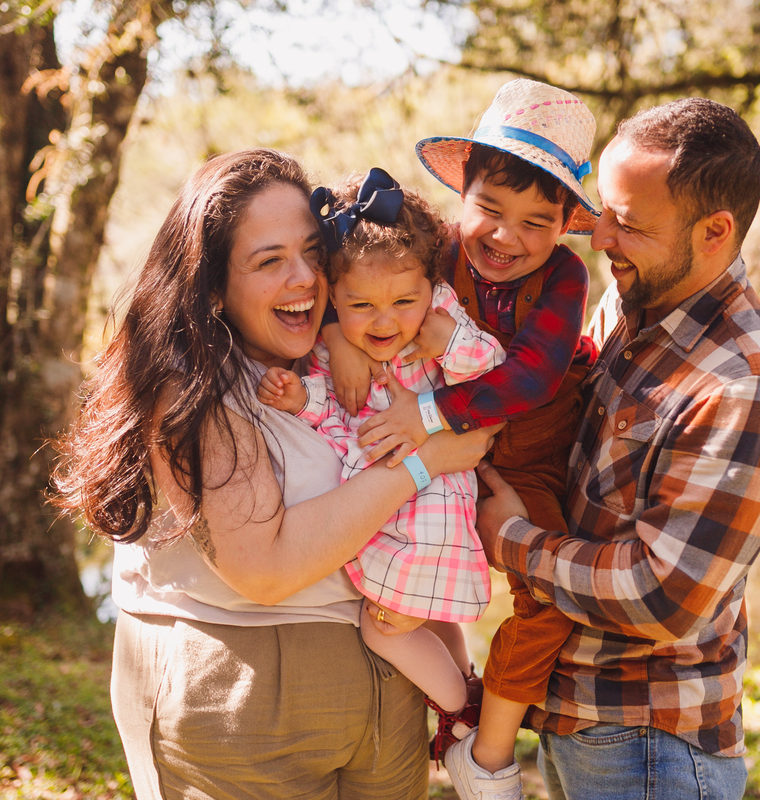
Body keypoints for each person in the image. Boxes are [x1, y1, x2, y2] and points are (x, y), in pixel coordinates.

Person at [51, 149, 496, 800]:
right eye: (269, 262)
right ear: (211, 284)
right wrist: (427, 460)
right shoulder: (188, 390)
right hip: (246, 701)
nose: (305, 280)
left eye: (313, 253)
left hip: (386, 695)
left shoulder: (341, 348)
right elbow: (266, 567)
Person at [474, 97, 760, 800]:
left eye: (627, 224)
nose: (600, 239)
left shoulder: (746, 382)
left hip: (652, 745)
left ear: (715, 231)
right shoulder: (625, 309)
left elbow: (665, 596)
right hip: (582, 723)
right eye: (602, 213)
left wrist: (512, 540)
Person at [325, 78, 602, 800]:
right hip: (444, 466)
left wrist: (435, 413)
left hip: (527, 456)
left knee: (546, 599)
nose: (507, 237)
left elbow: (535, 378)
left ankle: (488, 746)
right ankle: (453, 704)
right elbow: (363, 287)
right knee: (401, 581)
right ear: (462, 197)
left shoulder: (567, 277)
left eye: (538, 222)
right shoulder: (436, 253)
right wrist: (338, 338)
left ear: (567, 220)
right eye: (490, 210)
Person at [256, 168, 504, 723]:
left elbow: (493, 371)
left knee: (383, 626)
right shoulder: (339, 348)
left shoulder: (438, 325)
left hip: (427, 512)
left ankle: (464, 711)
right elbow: (340, 418)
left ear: (431, 292)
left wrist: (448, 337)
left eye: (402, 302)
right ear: (334, 299)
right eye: (361, 307)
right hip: (402, 507)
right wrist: (303, 398)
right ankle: (463, 695)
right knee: (434, 621)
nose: (386, 320)